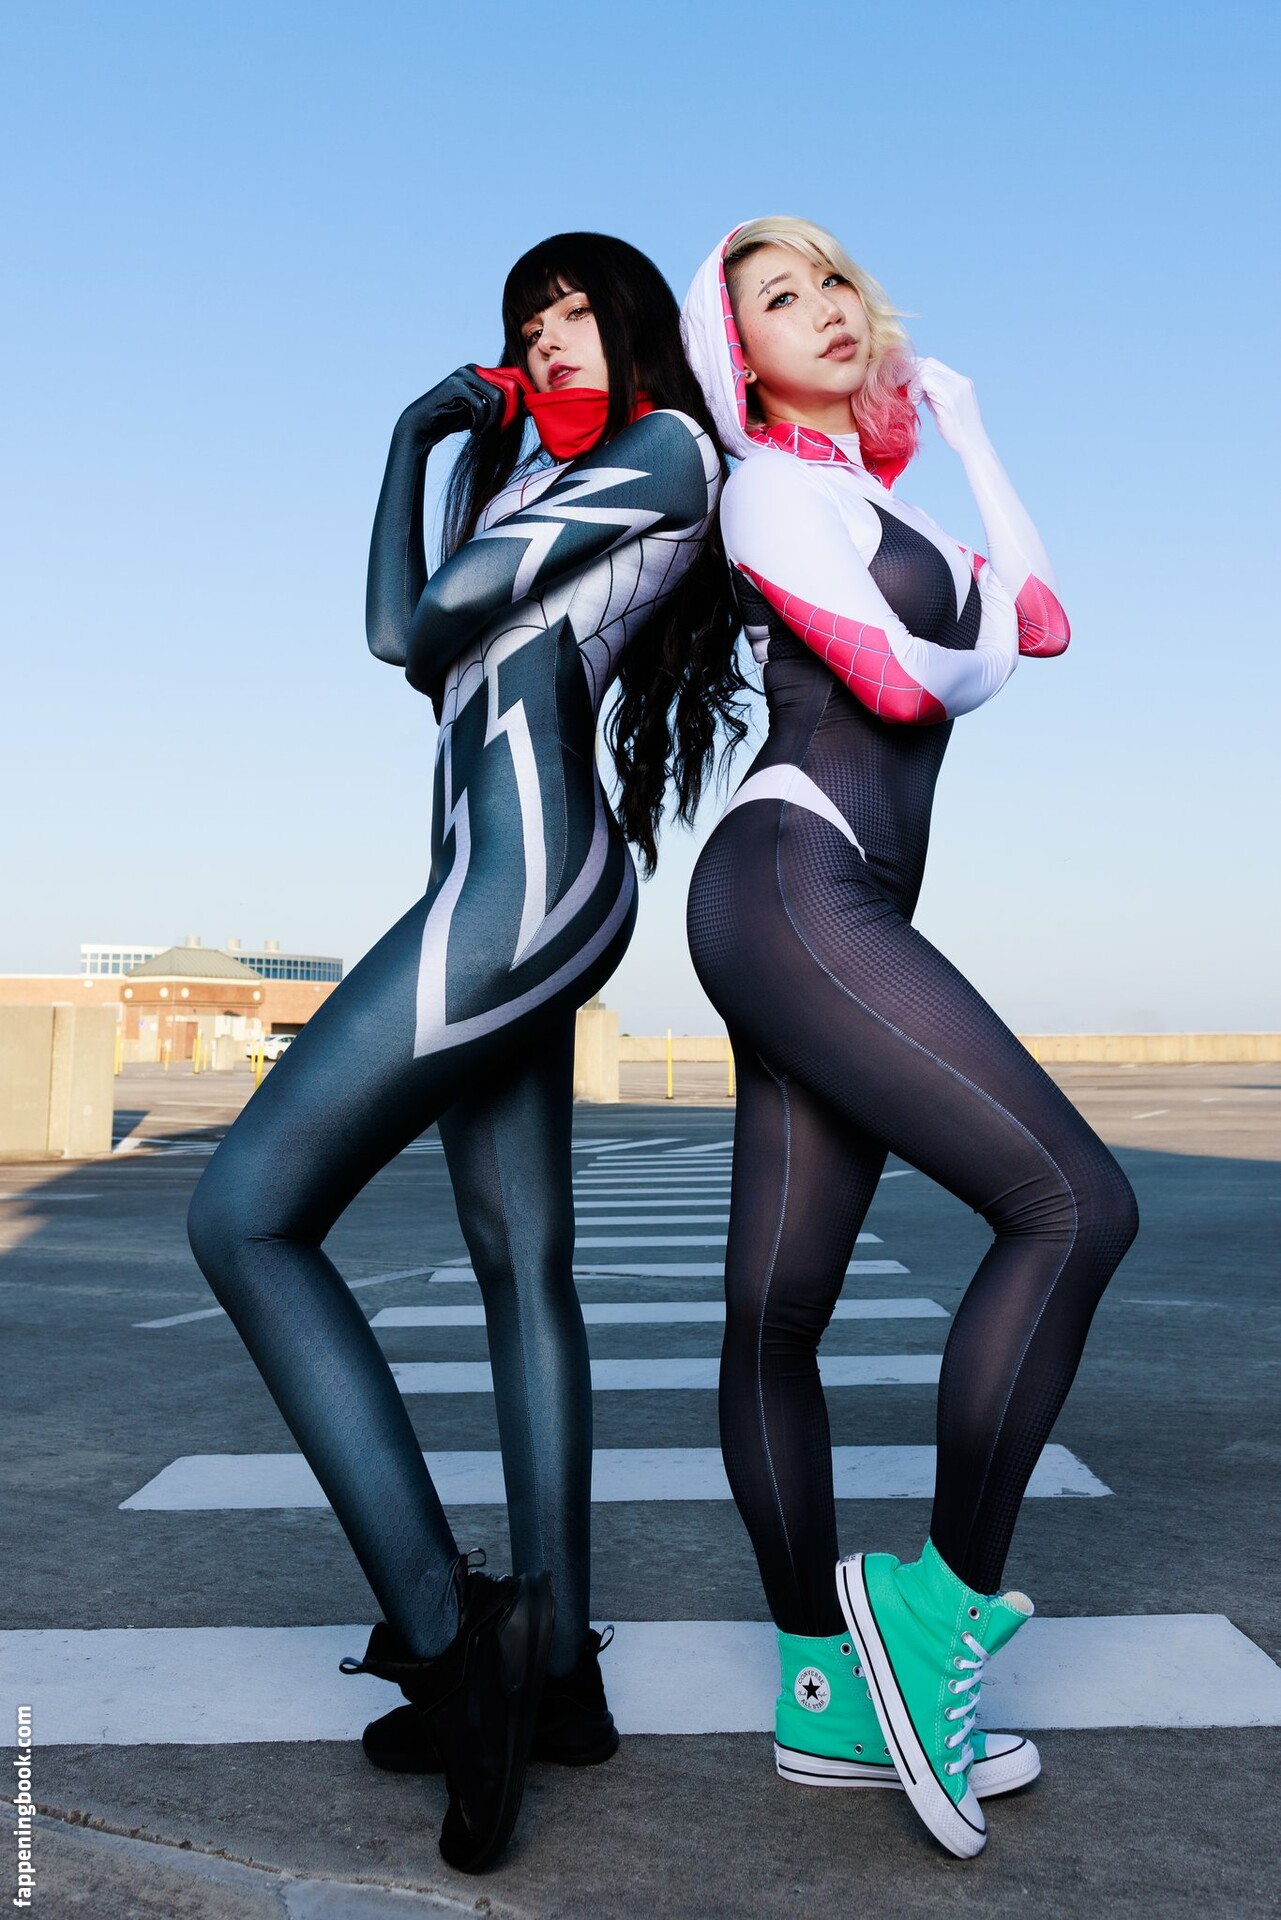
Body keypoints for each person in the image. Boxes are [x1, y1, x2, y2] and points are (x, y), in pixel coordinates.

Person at [187, 231, 743, 1874]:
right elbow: (399, 633)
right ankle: (553, 1672)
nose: (550, 338)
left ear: (632, 329)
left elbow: (430, 617)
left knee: (243, 1215)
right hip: (487, 880)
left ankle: (453, 1640)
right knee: (518, 1265)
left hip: (525, 887)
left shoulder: (664, 450)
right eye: (527, 321)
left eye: (576, 313)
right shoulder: (540, 483)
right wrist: (414, 442)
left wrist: (441, 443)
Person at [681, 218, 1138, 1858]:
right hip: (794, 878)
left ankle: (821, 1688)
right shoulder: (765, 489)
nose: (821, 308)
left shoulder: (886, 502)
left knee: (777, 1309)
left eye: (831, 283)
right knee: (1075, 1206)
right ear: (734, 354)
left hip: (828, 897)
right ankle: (936, 1606)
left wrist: (966, 430)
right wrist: (979, 642)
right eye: (776, 296)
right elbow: (893, 685)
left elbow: (1045, 618)